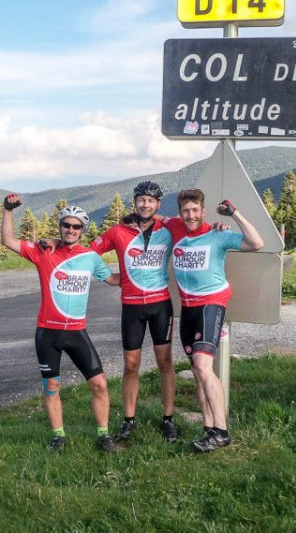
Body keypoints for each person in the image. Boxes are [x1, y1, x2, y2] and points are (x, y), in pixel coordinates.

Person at [0, 194, 121, 453]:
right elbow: (8, 241)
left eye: (76, 226)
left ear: (82, 230)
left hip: (77, 332)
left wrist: (144, 273)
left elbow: (112, 279)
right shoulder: (44, 251)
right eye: (66, 225)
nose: (70, 230)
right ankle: (58, 436)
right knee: (51, 386)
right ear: (60, 227)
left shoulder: (89, 257)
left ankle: (104, 435)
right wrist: (8, 210)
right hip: (48, 333)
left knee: (99, 383)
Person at [163, 188, 264, 453]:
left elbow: (256, 244)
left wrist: (234, 213)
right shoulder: (175, 228)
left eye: (195, 210)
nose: (191, 215)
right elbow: (151, 217)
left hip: (211, 304)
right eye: (186, 211)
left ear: (203, 211)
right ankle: (208, 429)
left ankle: (222, 431)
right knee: (198, 372)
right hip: (188, 309)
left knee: (203, 365)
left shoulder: (218, 235)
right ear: (180, 213)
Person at [91, 181, 180, 444]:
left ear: (158, 204)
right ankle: (129, 420)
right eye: (141, 199)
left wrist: (219, 226)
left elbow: (196, 229)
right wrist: (107, 276)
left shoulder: (168, 227)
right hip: (132, 306)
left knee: (165, 362)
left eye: (151, 201)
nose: (146, 204)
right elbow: (87, 252)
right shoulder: (119, 231)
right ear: (135, 202)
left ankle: (168, 419)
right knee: (130, 366)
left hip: (160, 305)